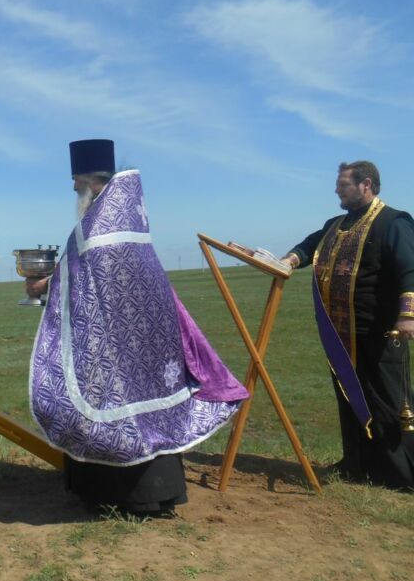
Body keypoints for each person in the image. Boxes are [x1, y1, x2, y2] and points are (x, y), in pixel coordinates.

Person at [27, 139, 248, 515]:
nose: (73, 188)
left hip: (109, 347)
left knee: (109, 405)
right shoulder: (128, 221)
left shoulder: (96, 230)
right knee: (149, 412)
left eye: (76, 180)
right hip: (149, 343)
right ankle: (156, 494)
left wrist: (43, 286)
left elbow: (83, 280)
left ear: (92, 181)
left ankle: (116, 496)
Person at [281, 161, 414, 490]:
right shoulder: (336, 224)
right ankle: (357, 465)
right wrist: (287, 261)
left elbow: (409, 270)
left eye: (343, 185)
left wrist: (409, 314)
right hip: (341, 334)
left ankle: (401, 475)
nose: (336, 191)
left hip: (381, 333)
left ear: (366, 185)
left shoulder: (392, 222)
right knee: (349, 398)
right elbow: (307, 246)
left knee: (388, 402)